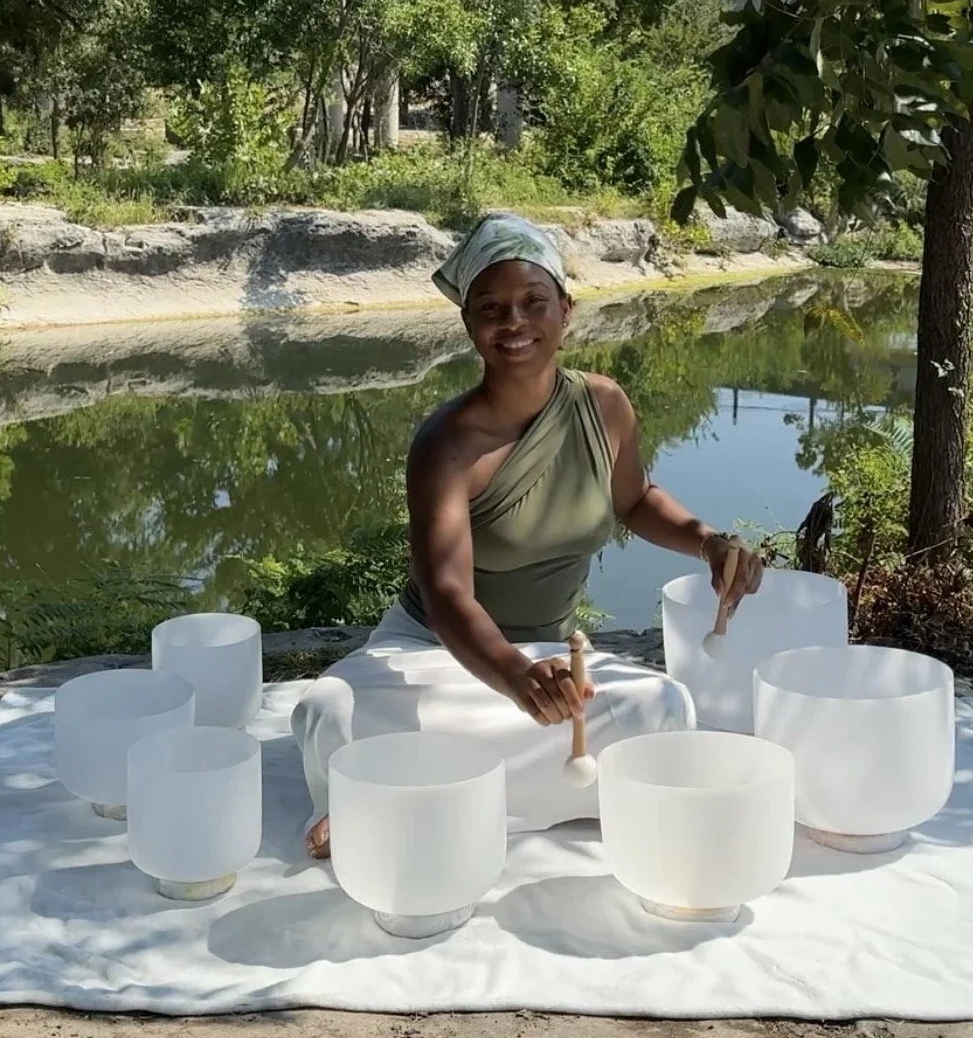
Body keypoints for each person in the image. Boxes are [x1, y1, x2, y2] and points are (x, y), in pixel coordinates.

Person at [291, 212, 763, 859]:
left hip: (550, 656)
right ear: (468, 325)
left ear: (565, 311)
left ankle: (406, 791)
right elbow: (450, 596)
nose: (513, 321)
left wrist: (708, 542)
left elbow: (636, 499)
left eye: (533, 302)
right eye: (491, 308)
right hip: (432, 654)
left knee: (663, 706)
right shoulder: (446, 445)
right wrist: (514, 677)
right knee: (329, 710)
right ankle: (411, 791)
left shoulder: (604, 406)